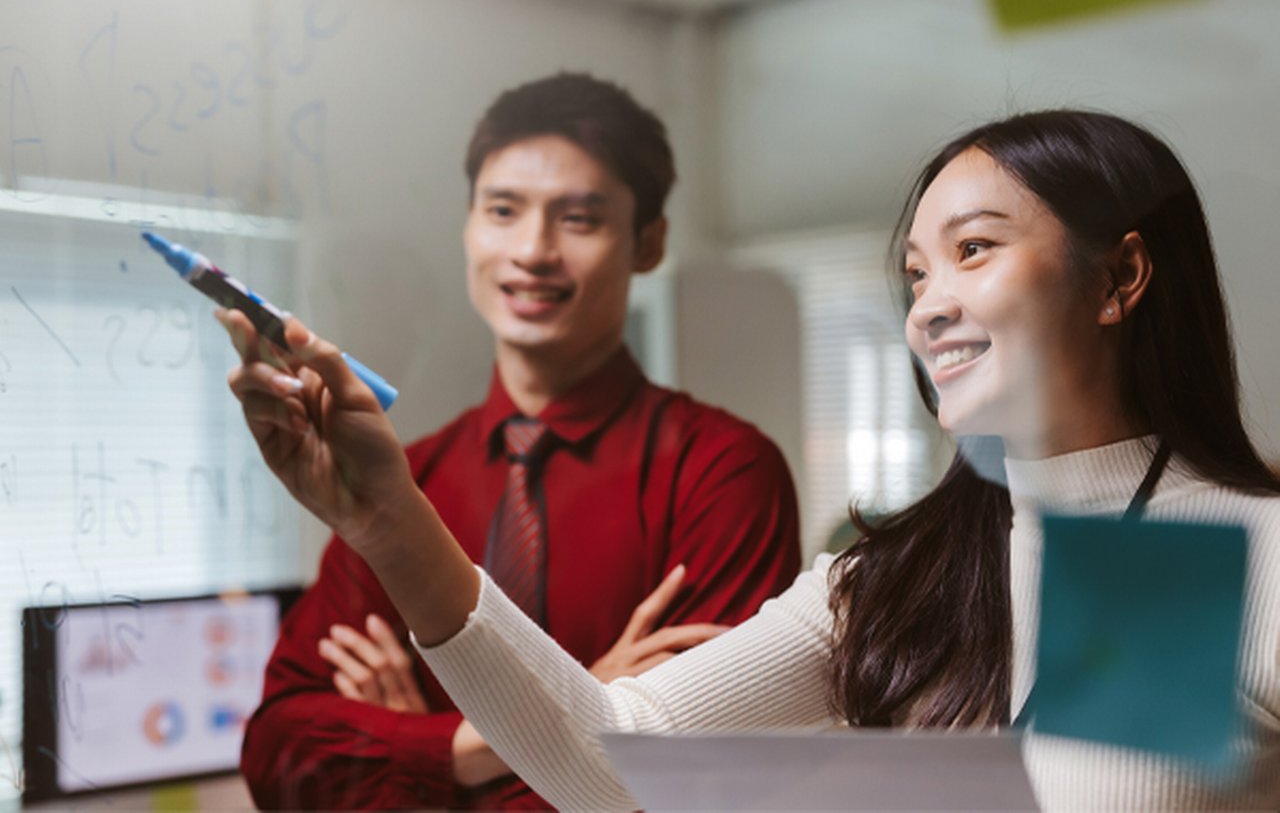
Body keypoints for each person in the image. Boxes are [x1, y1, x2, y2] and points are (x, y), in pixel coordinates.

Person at [221, 109, 1280, 810]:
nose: (929, 306)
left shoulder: (1254, 555)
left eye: (973, 249)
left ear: (1118, 277)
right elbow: (614, 755)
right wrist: (387, 517)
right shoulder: (890, 582)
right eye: (913, 273)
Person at [235, 72, 802, 809]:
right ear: (468, 226)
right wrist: (541, 726)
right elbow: (279, 755)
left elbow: (685, 782)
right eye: (503, 210)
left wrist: (411, 757)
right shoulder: (402, 486)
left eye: (579, 219)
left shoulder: (722, 473)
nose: (532, 250)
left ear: (648, 242)